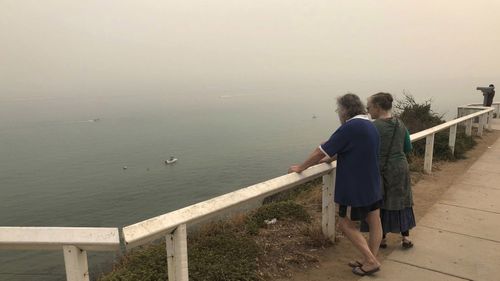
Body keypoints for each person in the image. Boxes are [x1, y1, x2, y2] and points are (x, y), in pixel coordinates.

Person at [288, 93, 383, 276]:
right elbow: (349, 150)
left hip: (355, 187)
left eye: (338, 110)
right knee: (374, 221)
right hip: (373, 183)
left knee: (345, 224)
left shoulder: (350, 127)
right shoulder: (370, 125)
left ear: (345, 110)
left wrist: (301, 167)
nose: (338, 113)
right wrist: (328, 157)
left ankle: (370, 261)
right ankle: (370, 258)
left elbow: (319, 151)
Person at [364, 92, 416, 249]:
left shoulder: (373, 127)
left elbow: (366, 151)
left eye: (369, 107)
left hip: (381, 170)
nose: (368, 111)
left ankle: (382, 239)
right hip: (401, 168)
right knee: (403, 200)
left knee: (381, 203)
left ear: (378, 107)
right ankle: (405, 238)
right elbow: (408, 147)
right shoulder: (400, 124)